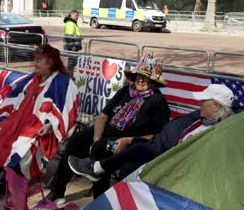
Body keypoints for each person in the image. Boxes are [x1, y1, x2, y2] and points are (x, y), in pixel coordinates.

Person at [47, 53, 171, 204]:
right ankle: (57, 191)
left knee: (101, 148)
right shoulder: (125, 91)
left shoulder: (159, 102)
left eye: (146, 77)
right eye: (139, 75)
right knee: (76, 140)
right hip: (106, 132)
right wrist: (95, 138)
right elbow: (102, 117)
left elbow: (157, 136)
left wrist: (128, 140)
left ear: (153, 81)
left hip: (128, 142)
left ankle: (100, 201)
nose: (141, 79)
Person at [0, 44, 80, 202]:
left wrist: (51, 126)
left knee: (22, 146)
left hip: (41, 128)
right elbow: (11, 98)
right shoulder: (32, 79)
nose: (35, 64)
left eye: (40, 61)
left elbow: (68, 110)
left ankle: (8, 183)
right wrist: (2, 119)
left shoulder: (63, 83)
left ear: (51, 62)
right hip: (18, 123)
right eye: (35, 60)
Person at [68, 84, 235, 183]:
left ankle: (97, 168)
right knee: (102, 147)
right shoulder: (199, 119)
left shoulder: (158, 102)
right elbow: (104, 115)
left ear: (216, 107)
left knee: (135, 151)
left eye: (204, 101)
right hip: (152, 145)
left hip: (171, 160)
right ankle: (96, 172)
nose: (200, 102)